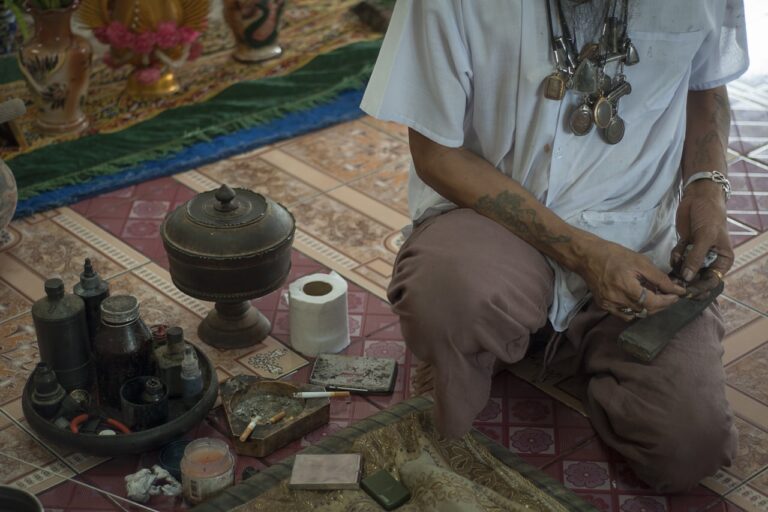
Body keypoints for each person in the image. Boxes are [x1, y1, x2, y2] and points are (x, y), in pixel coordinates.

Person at [360, 0, 749, 493]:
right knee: (449, 296)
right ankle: (507, 328)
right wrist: (584, 255)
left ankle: (554, 337)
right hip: (495, 224)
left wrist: (707, 187)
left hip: (637, 239)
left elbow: (706, 79)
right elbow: (436, 153)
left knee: (690, 445)